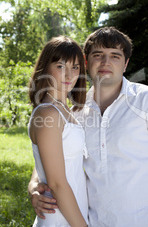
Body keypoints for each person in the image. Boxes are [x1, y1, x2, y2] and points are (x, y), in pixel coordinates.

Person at [28, 27, 148, 227]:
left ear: (126, 64)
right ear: (86, 63)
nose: (106, 62)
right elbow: (53, 156)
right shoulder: (75, 112)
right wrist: (35, 185)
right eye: (98, 55)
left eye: (115, 56)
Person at [28, 36, 89, 227]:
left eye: (75, 67)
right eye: (61, 66)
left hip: (72, 215)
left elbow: (49, 161)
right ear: (46, 68)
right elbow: (56, 184)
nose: (69, 75)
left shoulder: (63, 110)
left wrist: (33, 185)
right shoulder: (48, 113)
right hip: (60, 219)